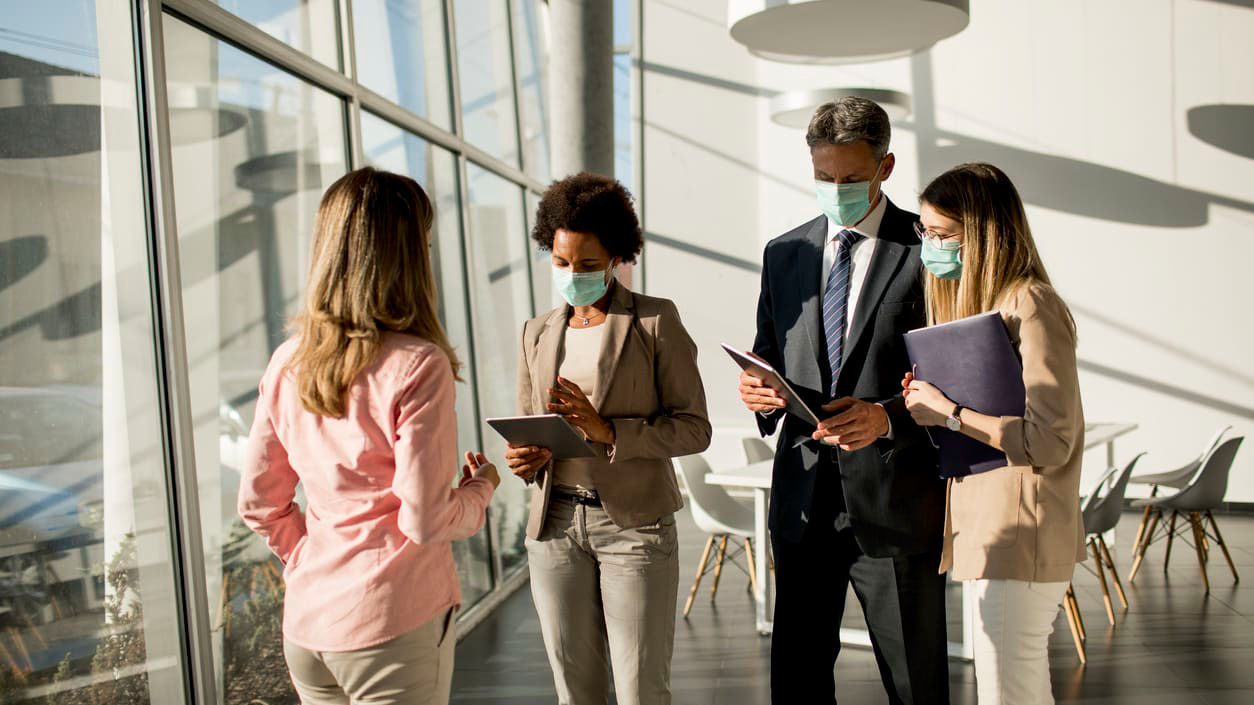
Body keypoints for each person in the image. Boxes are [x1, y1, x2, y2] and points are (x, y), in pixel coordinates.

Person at [237, 167, 499, 705]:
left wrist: (310, 561)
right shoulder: (418, 365)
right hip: (391, 623)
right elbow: (424, 519)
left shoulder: (288, 361)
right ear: (407, 258)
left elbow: (260, 503)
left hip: (309, 628)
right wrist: (480, 492)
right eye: (422, 244)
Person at [738, 97, 949, 704]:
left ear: (885, 167)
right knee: (798, 681)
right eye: (823, 178)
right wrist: (761, 393)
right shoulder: (785, 253)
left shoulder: (928, 248)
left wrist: (886, 416)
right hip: (804, 501)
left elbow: (955, 377)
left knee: (916, 683)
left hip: (895, 501)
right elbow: (768, 352)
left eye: (852, 178)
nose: (836, 190)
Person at [505, 172, 711, 705]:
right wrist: (525, 457)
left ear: (618, 257)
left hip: (634, 528)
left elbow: (695, 428)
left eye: (588, 265)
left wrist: (607, 431)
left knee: (641, 690)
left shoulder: (654, 321)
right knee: (575, 690)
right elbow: (530, 422)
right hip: (553, 527)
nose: (573, 274)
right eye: (561, 263)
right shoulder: (536, 331)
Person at [902, 162, 1085, 705]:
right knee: (1007, 689)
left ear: (982, 235)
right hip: (991, 526)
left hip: (1020, 528)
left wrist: (951, 412)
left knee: (1010, 690)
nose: (930, 247)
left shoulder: (1030, 304)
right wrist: (930, 405)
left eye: (942, 236)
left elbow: (1053, 440)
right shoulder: (989, 310)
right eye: (925, 233)